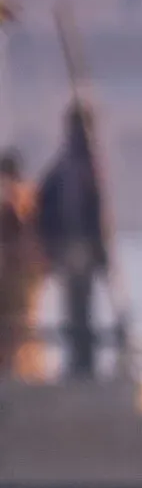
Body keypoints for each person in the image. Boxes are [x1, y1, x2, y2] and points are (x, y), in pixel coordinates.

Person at [36, 99, 112, 379]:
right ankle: (82, 364)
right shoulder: (82, 163)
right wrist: (101, 251)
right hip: (79, 247)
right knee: (80, 307)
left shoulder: (68, 162)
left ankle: (81, 363)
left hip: (71, 248)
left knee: (77, 307)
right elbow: (93, 213)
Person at [0, 150, 44, 377]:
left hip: (15, 274)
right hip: (31, 274)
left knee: (13, 325)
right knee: (24, 324)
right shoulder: (30, 195)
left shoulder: (12, 198)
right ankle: (27, 371)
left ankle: (15, 372)